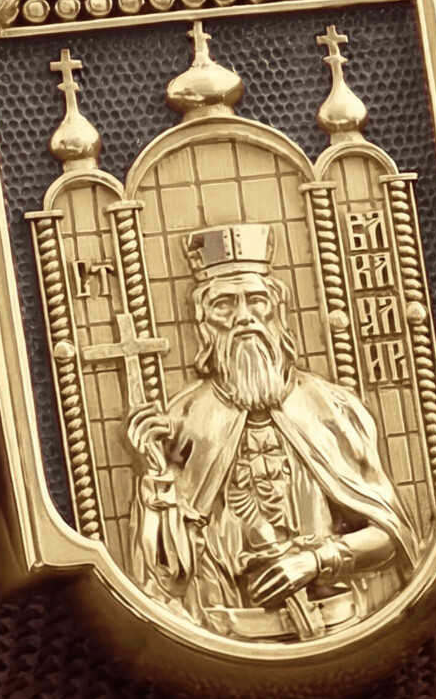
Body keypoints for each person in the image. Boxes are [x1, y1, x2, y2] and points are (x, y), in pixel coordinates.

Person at [128, 225, 414, 641]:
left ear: (276, 312)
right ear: (204, 324)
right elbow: (166, 576)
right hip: (225, 635)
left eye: (256, 300)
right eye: (225, 305)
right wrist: (157, 479)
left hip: (341, 623)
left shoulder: (331, 408)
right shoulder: (185, 420)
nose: (244, 317)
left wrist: (317, 560)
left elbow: (392, 535)